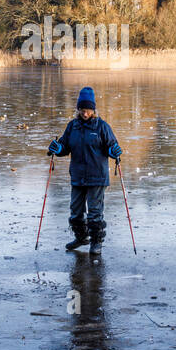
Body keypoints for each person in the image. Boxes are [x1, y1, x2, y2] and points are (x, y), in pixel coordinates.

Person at [46, 86, 122, 256]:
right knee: (75, 211)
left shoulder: (102, 127)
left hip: (97, 177)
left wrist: (114, 152)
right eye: (82, 109)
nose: (85, 113)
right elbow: (64, 147)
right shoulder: (73, 126)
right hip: (78, 176)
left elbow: (112, 147)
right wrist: (57, 149)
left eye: (87, 110)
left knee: (95, 213)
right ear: (78, 109)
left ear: (93, 110)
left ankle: (96, 242)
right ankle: (81, 238)